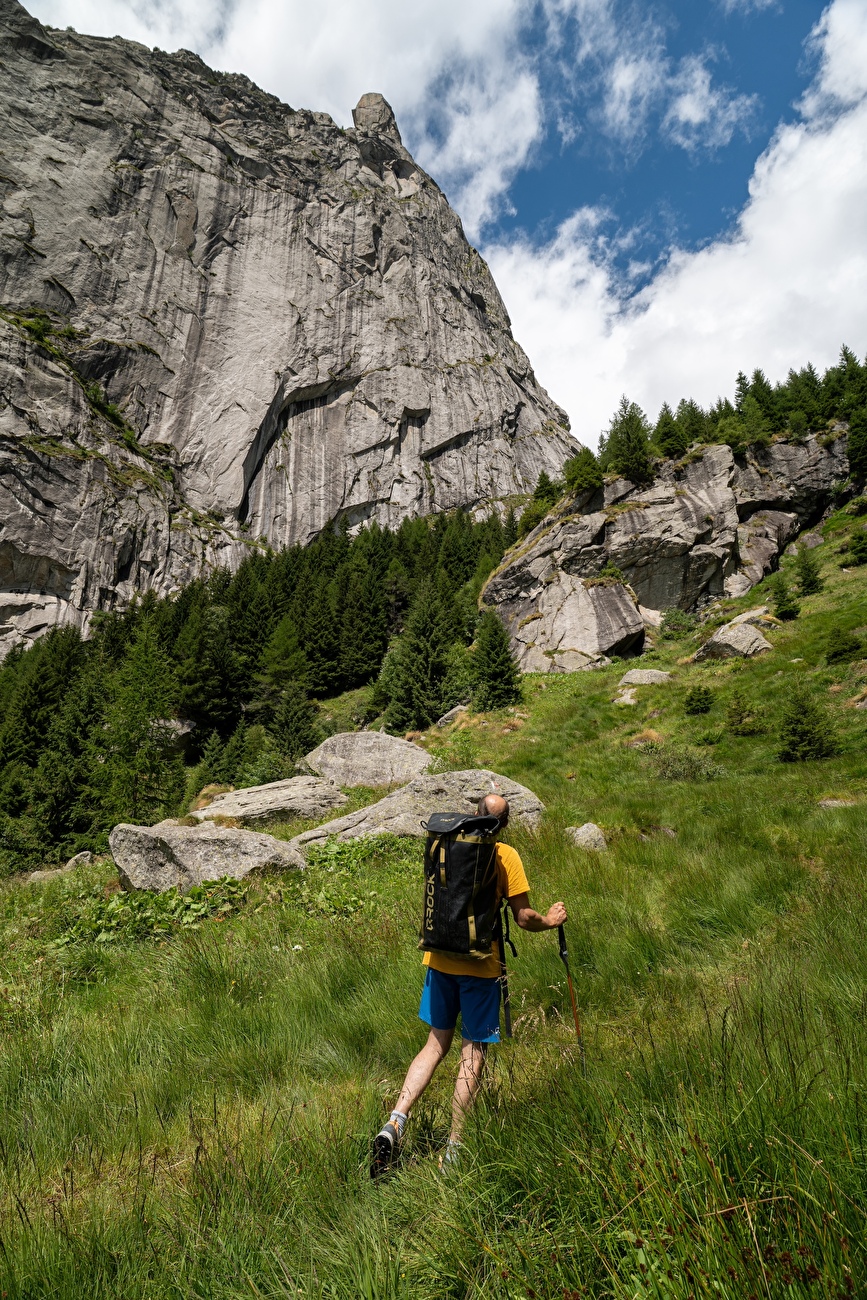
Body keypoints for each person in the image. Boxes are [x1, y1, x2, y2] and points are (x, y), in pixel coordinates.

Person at [370, 792, 567, 1176]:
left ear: (473, 814)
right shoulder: (505, 855)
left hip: (439, 958)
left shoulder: (447, 842)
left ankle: (394, 1122)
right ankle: (454, 1148)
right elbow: (524, 918)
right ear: (504, 824)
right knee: (472, 1052)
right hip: (481, 965)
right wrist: (551, 920)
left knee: (434, 1044)